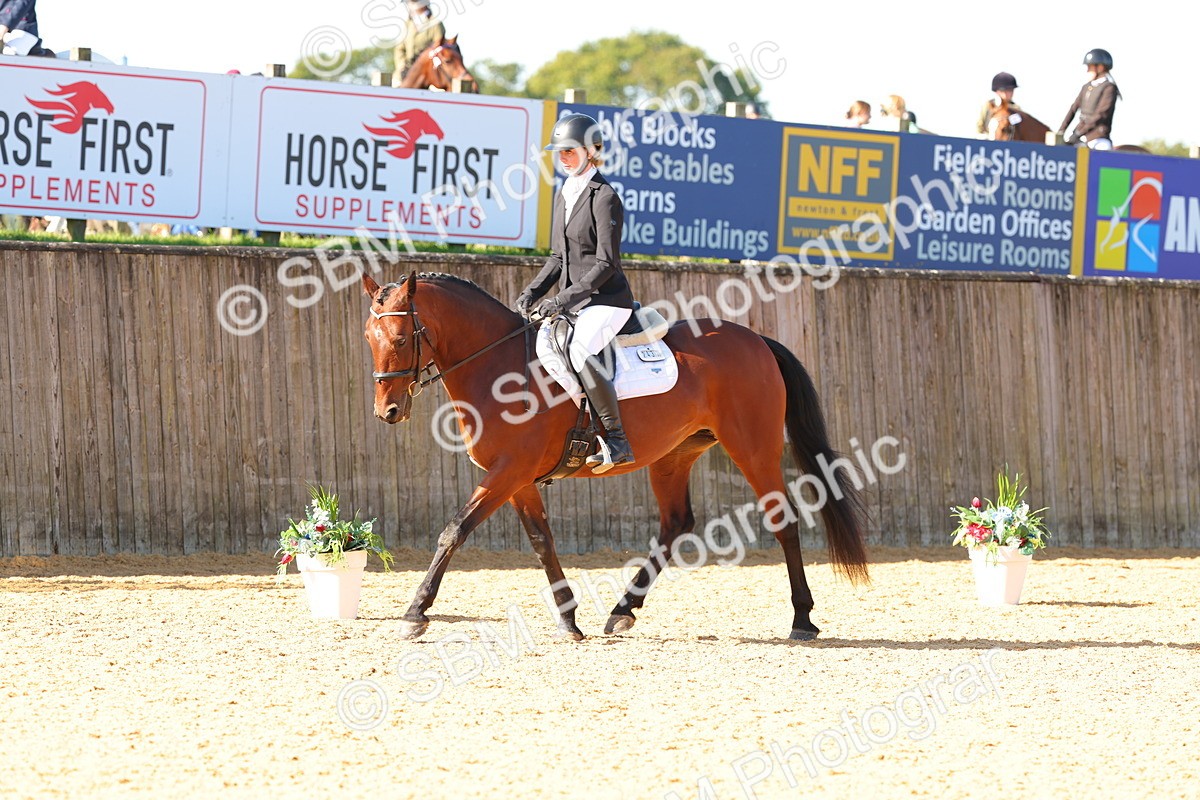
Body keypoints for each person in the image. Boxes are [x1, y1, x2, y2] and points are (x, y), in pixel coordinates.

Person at [515, 113, 637, 474]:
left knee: (580, 348)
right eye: (560, 151)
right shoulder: (565, 193)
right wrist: (532, 292)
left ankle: (617, 440)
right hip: (575, 302)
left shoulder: (605, 197)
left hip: (607, 300)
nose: (563, 157)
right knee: (545, 347)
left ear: (591, 150)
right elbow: (558, 257)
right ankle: (587, 421)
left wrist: (560, 300)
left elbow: (606, 264)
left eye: (570, 151)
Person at [1059, 49, 1120, 150]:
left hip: (1098, 137)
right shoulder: (1086, 87)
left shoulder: (1109, 88)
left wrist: (1079, 133)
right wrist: (1061, 131)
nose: (1087, 71)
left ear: (1100, 67)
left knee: (1102, 150)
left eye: (1090, 67)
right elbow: (1073, 109)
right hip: (1080, 134)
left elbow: (1101, 115)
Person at [393, 0, 446, 79]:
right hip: (406, 71)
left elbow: (439, 50)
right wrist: (402, 66)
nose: (409, 5)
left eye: (412, 3)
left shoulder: (435, 24)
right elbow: (399, 49)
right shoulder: (408, 23)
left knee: (437, 90)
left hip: (429, 73)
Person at [976, 72, 1022, 137]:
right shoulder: (988, 106)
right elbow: (979, 127)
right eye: (1007, 90)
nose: (1010, 93)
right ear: (997, 91)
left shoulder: (1016, 109)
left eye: (1011, 90)